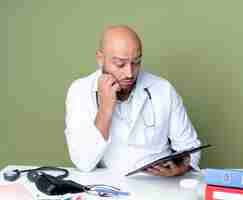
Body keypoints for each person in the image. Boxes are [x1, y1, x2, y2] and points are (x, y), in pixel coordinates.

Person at [64, 25, 201, 176]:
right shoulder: (79, 91)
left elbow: (190, 147)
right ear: (100, 59)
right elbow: (83, 162)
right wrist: (105, 109)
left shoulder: (163, 88)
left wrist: (182, 167)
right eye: (120, 64)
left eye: (136, 62)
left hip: (160, 185)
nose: (129, 73)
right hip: (111, 187)